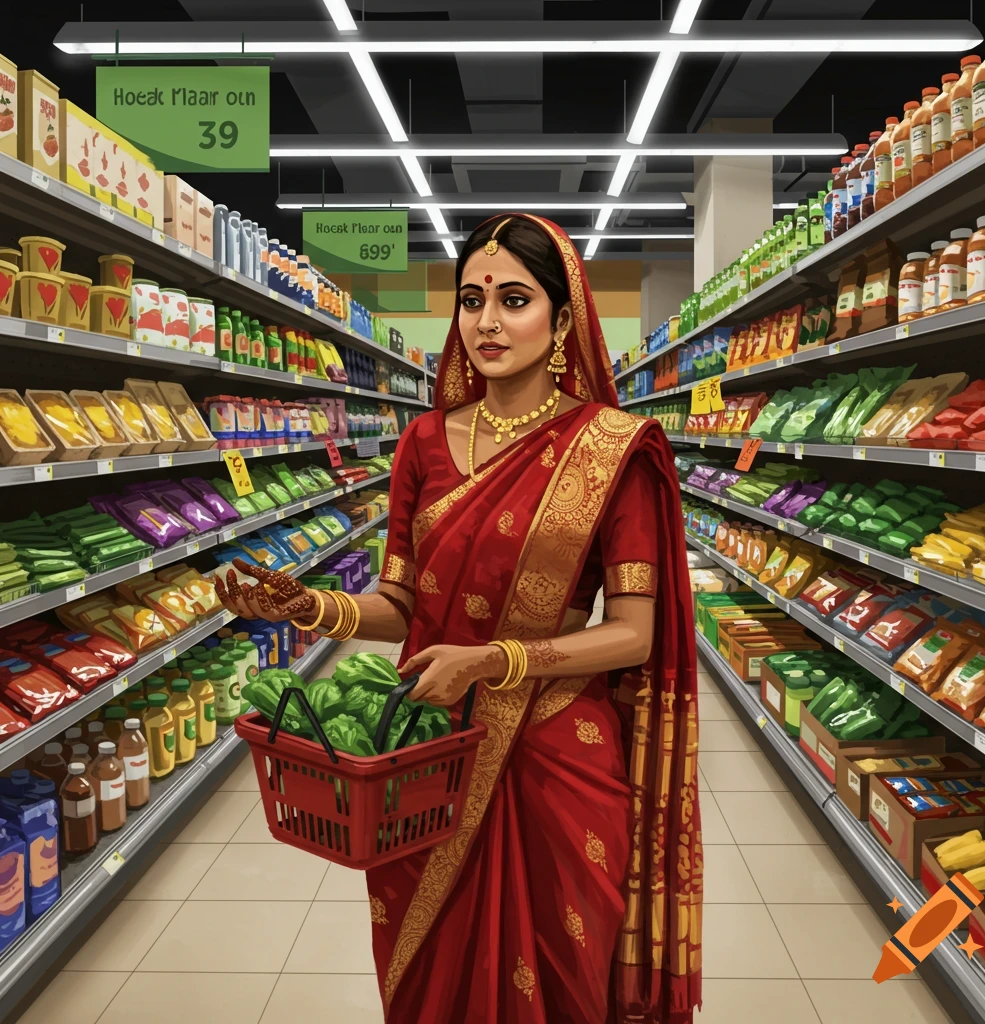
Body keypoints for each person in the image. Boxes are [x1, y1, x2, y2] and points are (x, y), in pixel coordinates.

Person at [214, 213, 702, 1023]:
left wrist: (493, 662)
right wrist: (313, 608)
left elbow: (636, 634)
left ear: (564, 319)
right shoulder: (424, 443)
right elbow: (400, 605)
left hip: (557, 754)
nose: (487, 322)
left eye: (514, 299)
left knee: (561, 976)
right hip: (426, 758)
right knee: (430, 974)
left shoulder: (614, 449)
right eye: (471, 300)